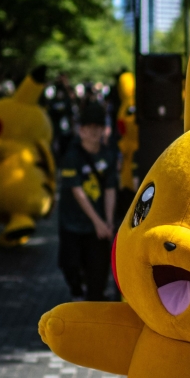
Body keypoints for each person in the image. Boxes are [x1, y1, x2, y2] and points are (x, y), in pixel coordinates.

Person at [57, 102, 118, 301]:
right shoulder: (71, 157)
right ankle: (76, 288)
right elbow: (77, 191)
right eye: (89, 128)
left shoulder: (108, 156)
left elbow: (110, 188)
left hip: (97, 229)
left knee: (98, 273)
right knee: (70, 265)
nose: (93, 132)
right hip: (72, 223)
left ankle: (93, 306)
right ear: (81, 130)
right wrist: (97, 221)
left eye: (98, 128)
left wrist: (108, 221)